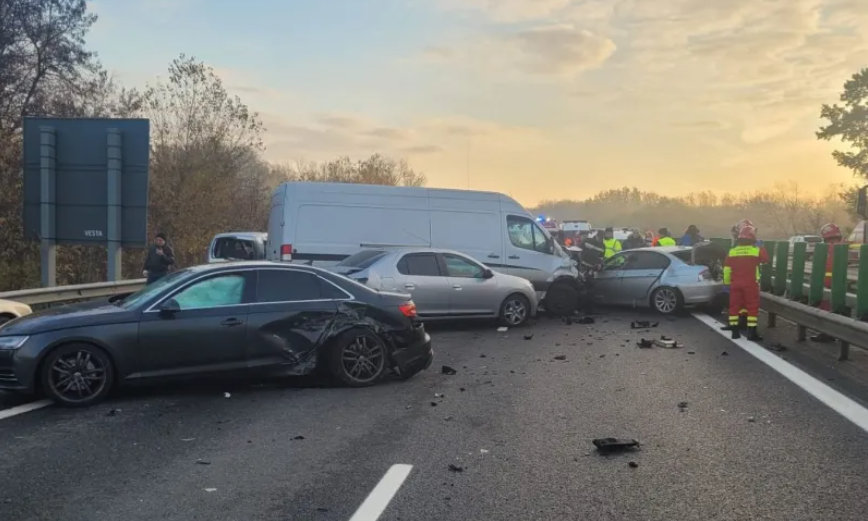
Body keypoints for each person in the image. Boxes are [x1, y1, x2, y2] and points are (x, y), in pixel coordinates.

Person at [723, 225, 769, 340]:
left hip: (735, 284)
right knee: (752, 307)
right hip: (750, 284)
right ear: (752, 238)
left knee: (734, 307)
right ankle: (751, 333)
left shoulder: (732, 251)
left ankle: (735, 332)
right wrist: (761, 247)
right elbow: (766, 260)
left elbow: (727, 269)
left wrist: (727, 283)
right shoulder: (755, 250)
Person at [812, 223, 845, 342]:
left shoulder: (828, 248)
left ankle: (827, 334)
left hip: (828, 284)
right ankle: (833, 334)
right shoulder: (843, 247)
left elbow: (825, 267)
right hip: (839, 284)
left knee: (826, 308)